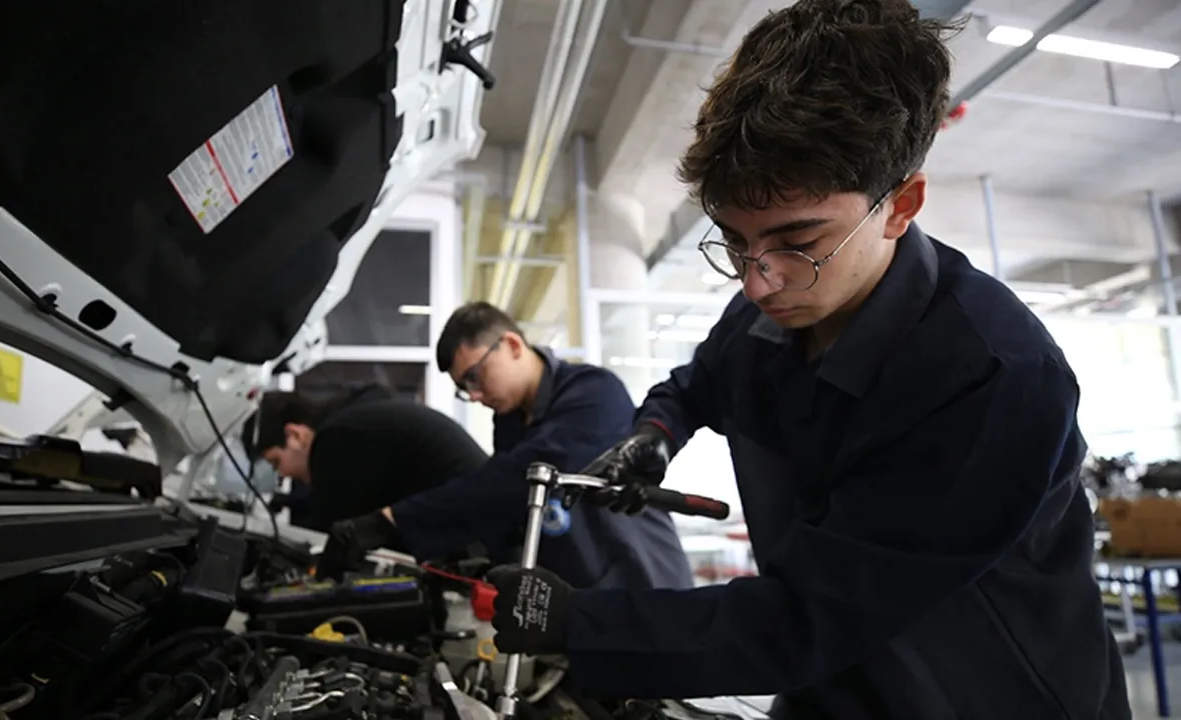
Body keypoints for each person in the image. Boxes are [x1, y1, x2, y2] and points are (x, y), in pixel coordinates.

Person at [483, 1, 1129, 718]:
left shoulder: (993, 380)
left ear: (900, 205)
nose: (758, 280)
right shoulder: (763, 319)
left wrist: (582, 624)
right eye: (734, 240)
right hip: (829, 689)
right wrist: (654, 437)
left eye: (799, 241)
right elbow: (694, 386)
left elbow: (811, 615)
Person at [316, 301, 695, 591]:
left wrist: (392, 520)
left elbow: (518, 480)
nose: (476, 394)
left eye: (475, 377)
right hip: (578, 594)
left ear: (512, 344)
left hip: (641, 582)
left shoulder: (594, 391)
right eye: (465, 389)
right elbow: (508, 513)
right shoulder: (511, 423)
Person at [243, 384, 489, 532]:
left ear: (294, 435)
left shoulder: (333, 441)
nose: (282, 474)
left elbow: (335, 529)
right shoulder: (354, 420)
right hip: (482, 513)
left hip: (473, 529)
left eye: (276, 462)